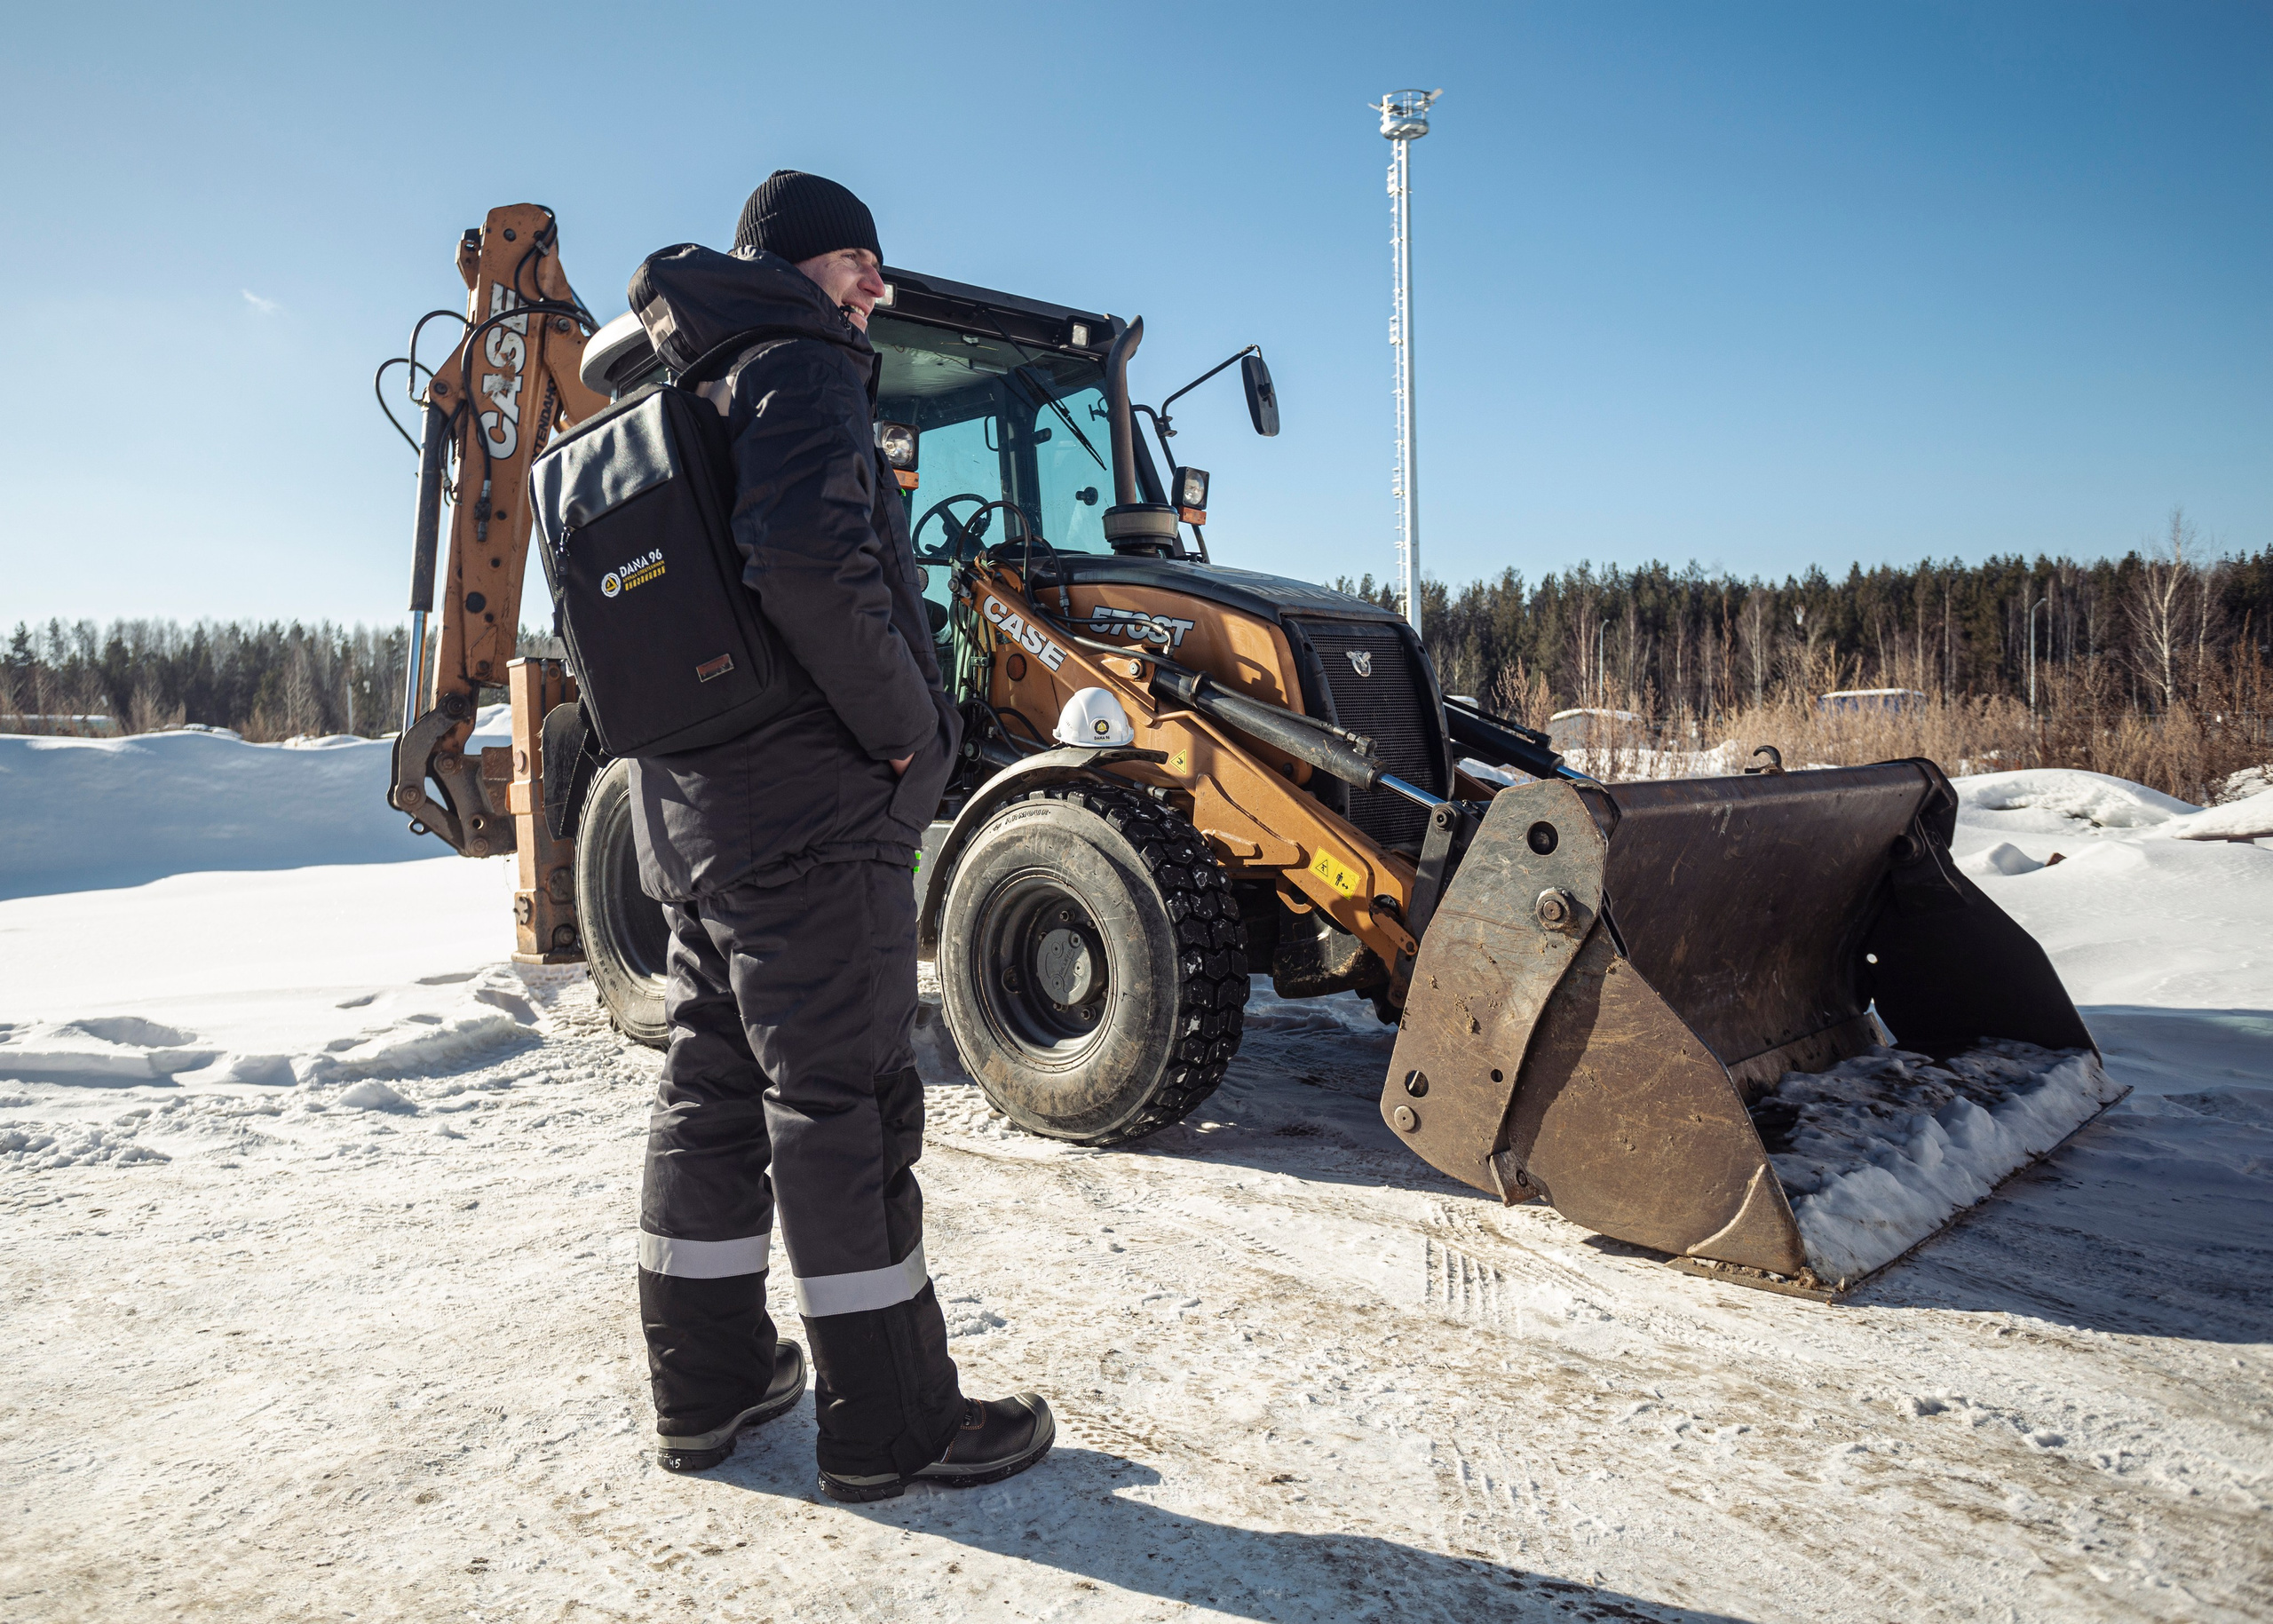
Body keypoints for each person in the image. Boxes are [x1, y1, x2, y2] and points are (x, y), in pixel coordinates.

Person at [622, 170, 1051, 1501]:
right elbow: (809, 563)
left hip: (698, 814)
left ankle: (708, 1385)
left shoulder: (687, 384)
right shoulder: (797, 368)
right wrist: (915, 730)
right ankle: (892, 1422)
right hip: (809, 814)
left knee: (711, 1087)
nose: (879, 286)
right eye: (863, 259)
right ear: (805, 262)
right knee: (844, 1104)